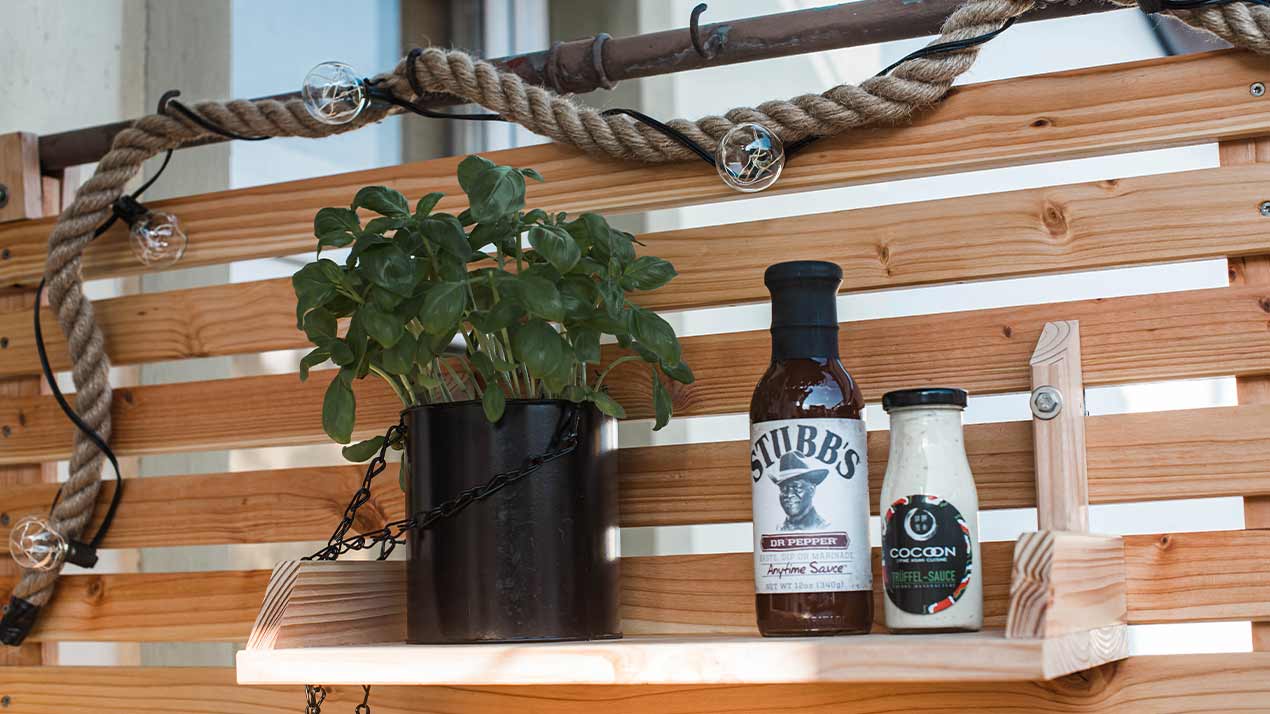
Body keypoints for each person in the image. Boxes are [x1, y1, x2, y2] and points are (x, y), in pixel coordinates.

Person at [768, 452, 830, 531]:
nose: (789, 495)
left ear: (811, 490)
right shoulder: (778, 529)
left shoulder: (825, 528)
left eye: (797, 487)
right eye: (783, 489)